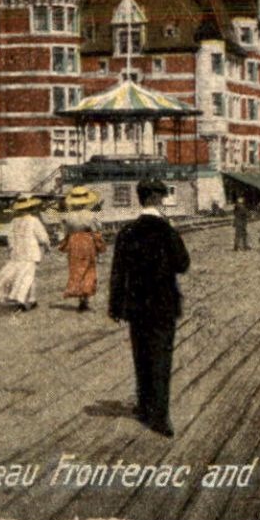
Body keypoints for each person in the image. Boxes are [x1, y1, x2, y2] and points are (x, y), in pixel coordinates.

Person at [108, 178, 190, 438]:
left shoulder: (127, 232)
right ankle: (160, 417)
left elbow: (117, 273)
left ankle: (144, 407)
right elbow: (182, 264)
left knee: (141, 355)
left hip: (135, 305)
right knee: (161, 358)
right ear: (159, 198)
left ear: (141, 198)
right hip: (163, 305)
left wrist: (115, 306)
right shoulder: (167, 230)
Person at [0, 194, 49, 311]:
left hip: (17, 253)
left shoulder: (14, 221)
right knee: (28, 276)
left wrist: (11, 249)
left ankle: (32, 299)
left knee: (22, 275)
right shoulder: (34, 220)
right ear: (31, 208)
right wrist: (47, 246)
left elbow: (9, 238)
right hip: (30, 252)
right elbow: (42, 237)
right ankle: (22, 300)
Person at [55, 187, 107, 312]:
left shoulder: (68, 216)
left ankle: (80, 298)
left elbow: (64, 231)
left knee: (76, 270)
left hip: (74, 242)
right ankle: (85, 299)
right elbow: (97, 228)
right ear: (85, 201)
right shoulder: (90, 215)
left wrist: (63, 242)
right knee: (88, 270)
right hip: (87, 241)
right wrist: (99, 244)